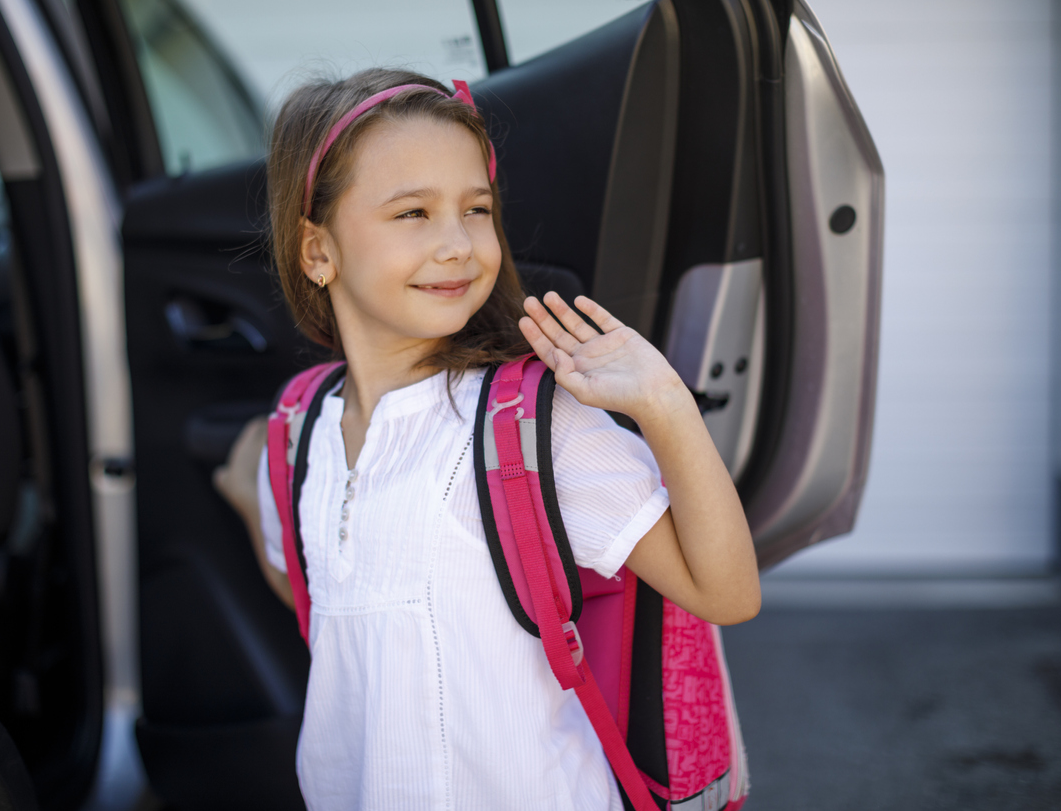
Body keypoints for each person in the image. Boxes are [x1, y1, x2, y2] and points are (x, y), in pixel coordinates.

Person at [213, 67, 760, 810]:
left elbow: (725, 593)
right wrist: (251, 493)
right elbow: (327, 599)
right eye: (413, 214)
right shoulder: (299, 431)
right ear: (317, 250)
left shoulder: (533, 427)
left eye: (477, 209)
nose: (459, 245)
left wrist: (666, 405)